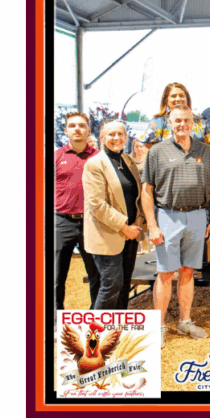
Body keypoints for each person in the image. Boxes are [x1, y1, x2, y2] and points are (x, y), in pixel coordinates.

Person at [141, 105, 210, 344]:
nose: (182, 124)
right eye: (177, 121)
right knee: (165, 273)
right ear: (170, 123)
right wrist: (152, 225)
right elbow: (147, 191)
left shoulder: (206, 152)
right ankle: (160, 327)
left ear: (193, 122)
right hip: (167, 216)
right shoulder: (156, 151)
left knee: (187, 271)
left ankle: (185, 322)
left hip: (197, 216)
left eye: (186, 120)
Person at [81, 120, 144, 310]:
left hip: (130, 234)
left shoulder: (128, 160)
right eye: (111, 134)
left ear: (125, 137)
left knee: (124, 284)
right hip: (106, 234)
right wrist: (124, 227)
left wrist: (137, 222)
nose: (116, 138)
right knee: (111, 285)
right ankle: (96, 333)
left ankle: (117, 331)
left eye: (120, 134)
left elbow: (136, 195)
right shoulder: (94, 164)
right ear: (102, 138)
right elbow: (97, 204)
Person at [54, 112, 101, 310]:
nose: (77, 129)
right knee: (56, 276)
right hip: (62, 221)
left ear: (88, 130)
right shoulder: (56, 157)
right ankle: (55, 320)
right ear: (66, 130)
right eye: (72, 125)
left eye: (81, 125)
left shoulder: (98, 157)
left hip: (91, 223)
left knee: (96, 274)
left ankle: (96, 317)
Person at [140, 82, 210, 148]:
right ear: (166, 100)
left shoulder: (201, 122)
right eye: (173, 96)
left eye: (181, 96)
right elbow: (147, 148)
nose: (178, 99)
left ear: (187, 99)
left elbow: (209, 149)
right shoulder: (158, 122)